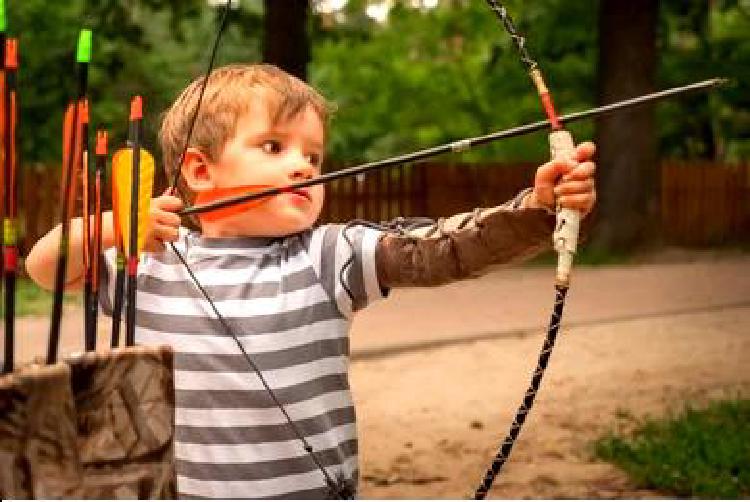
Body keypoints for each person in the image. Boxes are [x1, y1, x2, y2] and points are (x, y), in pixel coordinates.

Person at [26, 64, 596, 499]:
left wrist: (538, 209)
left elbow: (444, 250)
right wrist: (114, 226)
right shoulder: (146, 262)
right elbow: (43, 265)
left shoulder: (328, 255)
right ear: (200, 171)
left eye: (315, 157)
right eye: (274, 147)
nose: (303, 167)